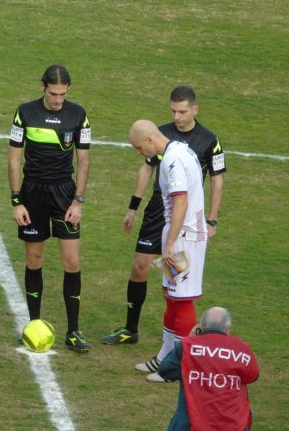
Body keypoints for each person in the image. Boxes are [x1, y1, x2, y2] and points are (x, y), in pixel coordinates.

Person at [102, 86, 225, 347]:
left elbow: (215, 182)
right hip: (161, 212)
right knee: (147, 271)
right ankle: (135, 331)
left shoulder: (206, 141)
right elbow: (146, 171)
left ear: (195, 109)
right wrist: (133, 207)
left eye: (182, 111)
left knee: (179, 290)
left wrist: (211, 220)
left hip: (182, 223)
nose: (177, 117)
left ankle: (182, 349)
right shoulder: (161, 136)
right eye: (173, 111)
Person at [9, 65, 92, 352]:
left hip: (64, 193)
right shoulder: (25, 112)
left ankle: (74, 330)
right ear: (42, 86)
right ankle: (33, 324)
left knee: (72, 262)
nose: (58, 100)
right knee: (34, 260)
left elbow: (83, 161)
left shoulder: (78, 114)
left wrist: (78, 201)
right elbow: (13, 159)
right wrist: (16, 201)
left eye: (63, 94)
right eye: (54, 93)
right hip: (33, 193)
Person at [127, 119, 208, 381]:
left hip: (184, 237)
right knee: (171, 295)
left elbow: (181, 202)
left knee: (182, 299)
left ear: (151, 140)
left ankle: (178, 368)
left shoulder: (172, 160)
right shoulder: (180, 151)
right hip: (179, 233)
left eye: (140, 148)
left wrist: (171, 244)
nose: (140, 153)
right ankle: (164, 357)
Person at [158, 307, 260, 430]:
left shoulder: (187, 347)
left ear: (201, 328)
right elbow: (252, 376)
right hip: (234, 424)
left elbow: (165, 370)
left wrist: (188, 338)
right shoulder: (242, 349)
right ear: (227, 329)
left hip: (190, 424)